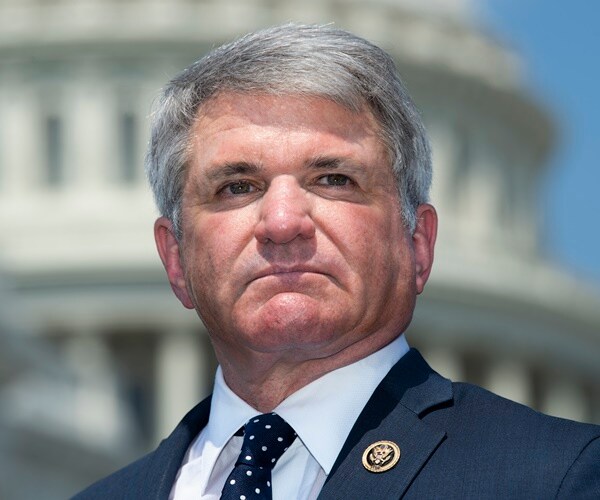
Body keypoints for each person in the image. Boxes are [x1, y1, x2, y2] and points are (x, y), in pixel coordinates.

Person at [75, 23, 600, 499]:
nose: (282, 222)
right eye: (237, 187)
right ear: (175, 259)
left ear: (418, 244)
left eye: (333, 180)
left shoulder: (557, 478)